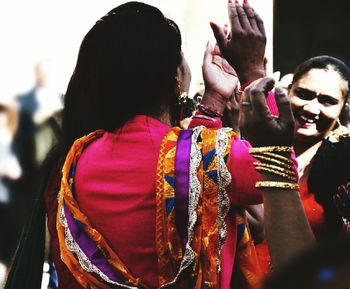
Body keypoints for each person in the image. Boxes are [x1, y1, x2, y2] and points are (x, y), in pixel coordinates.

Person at [5, 1, 314, 289]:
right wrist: (253, 73)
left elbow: (185, 169)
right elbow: (273, 168)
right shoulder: (216, 155)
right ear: (176, 76)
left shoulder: (78, 155)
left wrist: (213, 103)